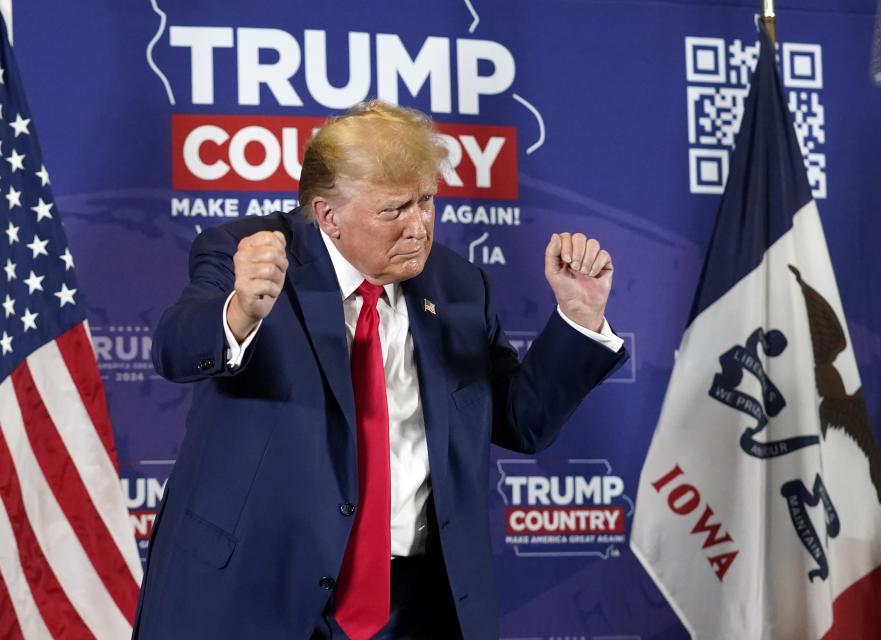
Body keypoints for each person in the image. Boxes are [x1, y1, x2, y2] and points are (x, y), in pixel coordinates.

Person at [133, 100, 627, 640]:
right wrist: (239, 312)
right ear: (328, 215)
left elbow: (521, 420)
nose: (418, 227)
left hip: (414, 604)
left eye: (428, 202)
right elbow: (175, 350)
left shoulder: (459, 286)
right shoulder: (248, 253)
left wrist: (578, 320)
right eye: (394, 210)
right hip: (262, 588)